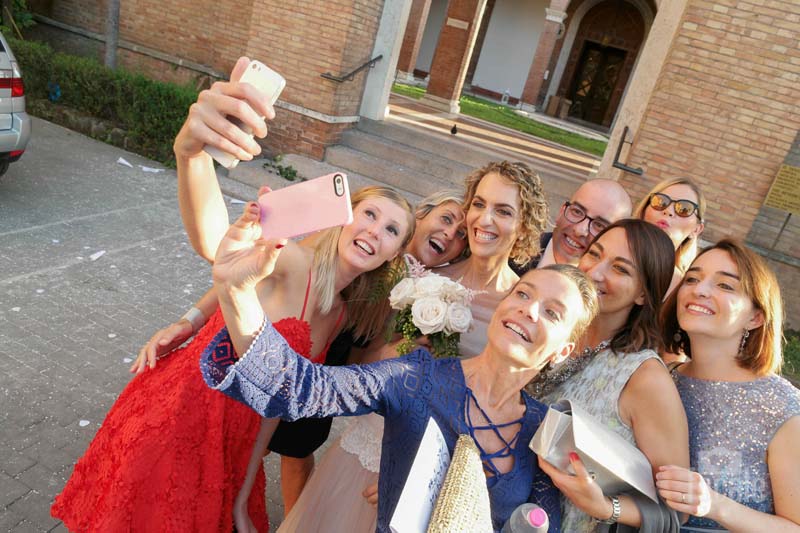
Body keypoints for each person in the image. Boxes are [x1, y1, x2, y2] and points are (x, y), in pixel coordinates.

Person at [51, 56, 417, 532]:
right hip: (181, 412)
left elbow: (274, 409)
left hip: (233, 445)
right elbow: (215, 242)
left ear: (393, 254)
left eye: (391, 229)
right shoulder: (293, 260)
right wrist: (192, 156)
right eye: (369, 214)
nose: (375, 231)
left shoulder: (341, 313)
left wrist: (246, 491)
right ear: (346, 215)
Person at [201, 202, 602, 532]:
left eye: (552, 312)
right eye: (523, 293)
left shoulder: (545, 433)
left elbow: (541, 525)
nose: (528, 310)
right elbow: (301, 386)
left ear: (563, 350)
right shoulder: (415, 377)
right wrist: (236, 294)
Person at [275, 191, 467, 532]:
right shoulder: (357, 233)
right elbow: (282, 266)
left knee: (297, 448)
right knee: (253, 441)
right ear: (421, 216)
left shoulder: (433, 292)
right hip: (291, 343)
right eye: (447, 219)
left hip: (336, 368)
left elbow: (370, 359)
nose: (451, 234)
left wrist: (407, 346)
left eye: (461, 236)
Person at [530, 219, 689, 531]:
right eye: (594, 254)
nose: (595, 272)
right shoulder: (550, 331)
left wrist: (605, 507)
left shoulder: (644, 377)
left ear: (644, 294)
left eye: (620, 269)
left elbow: (676, 507)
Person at [657, 239, 800, 531]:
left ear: (755, 317)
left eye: (725, 286)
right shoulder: (660, 379)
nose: (700, 289)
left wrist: (715, 505)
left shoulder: (782, 407)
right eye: (693, 278)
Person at [437, 160, 549, 356]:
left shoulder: (526, 309)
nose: (484, 219)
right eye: (479, 204)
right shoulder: (429, 280)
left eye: (503, 212)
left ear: (524, 227)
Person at [511, 178, 632, 275]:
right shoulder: (510, 251)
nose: (580, 230)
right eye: (577, 212)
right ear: (562, 211)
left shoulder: (604, 297)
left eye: (599, 225)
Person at [634, 177, 706, 295]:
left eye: (684, 209)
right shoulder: (609, 249)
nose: (668, 211)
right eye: (660, 201)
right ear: (643, 211)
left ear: (696, 229)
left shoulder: (685, 291)